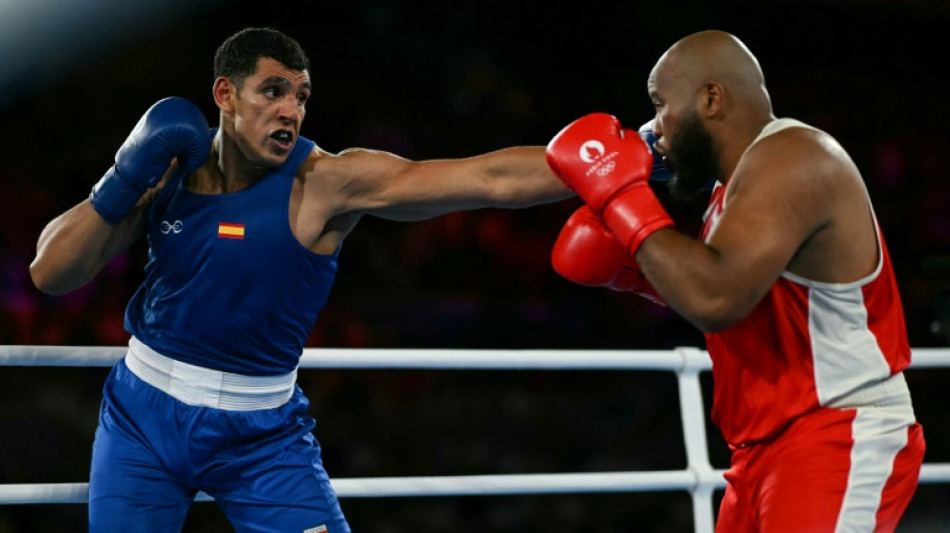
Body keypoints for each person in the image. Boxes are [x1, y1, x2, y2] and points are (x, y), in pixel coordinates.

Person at [29, 27, 572, 533]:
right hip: (140, 418)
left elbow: (487, 177)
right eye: (272, 91)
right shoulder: (170, 169)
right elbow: (51, 273)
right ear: (225, 94)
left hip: (260, 436)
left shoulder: (325, 183)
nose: (291, 111)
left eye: (302, 96)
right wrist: (125, 175)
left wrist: (614, 163)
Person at [547, 30, 925, 532]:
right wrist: (641, 278)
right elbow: (752, 300)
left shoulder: (795, 157)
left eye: (661, 105)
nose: (654, 129)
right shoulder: (733, 191)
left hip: (836, 432)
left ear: (711, 98)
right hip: (762, 452)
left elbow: (716, 297)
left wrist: (621, 199)